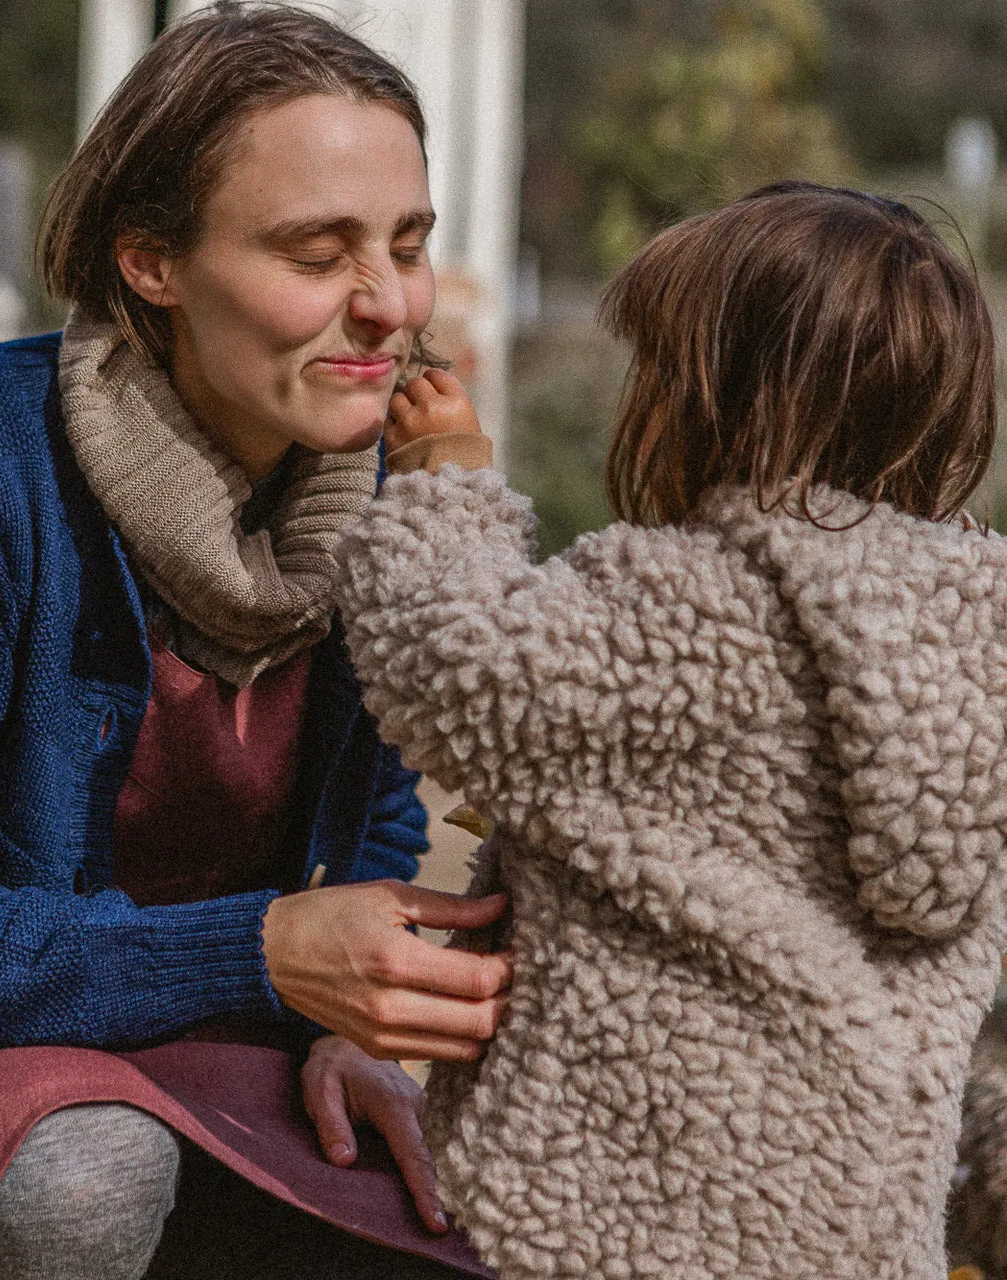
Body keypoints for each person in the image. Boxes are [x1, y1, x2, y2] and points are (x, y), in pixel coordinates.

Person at [0, 5, 511, 1278]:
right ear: (152, 262)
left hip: (218, 1054)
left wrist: (345, 1030)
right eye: (317, 252)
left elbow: (368, 822)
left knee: (485, 1220)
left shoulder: (387, 496)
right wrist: (261, 952)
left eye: (406, 246)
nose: (386, 306)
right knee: (82, 1180)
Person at [334, 181, 1007, 1280]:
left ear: (718, 402)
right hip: (855, 1229)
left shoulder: (690, 604)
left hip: (619, 1221)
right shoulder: (974, 638)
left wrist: (444, 478)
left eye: (653, 369)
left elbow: (450, 663)